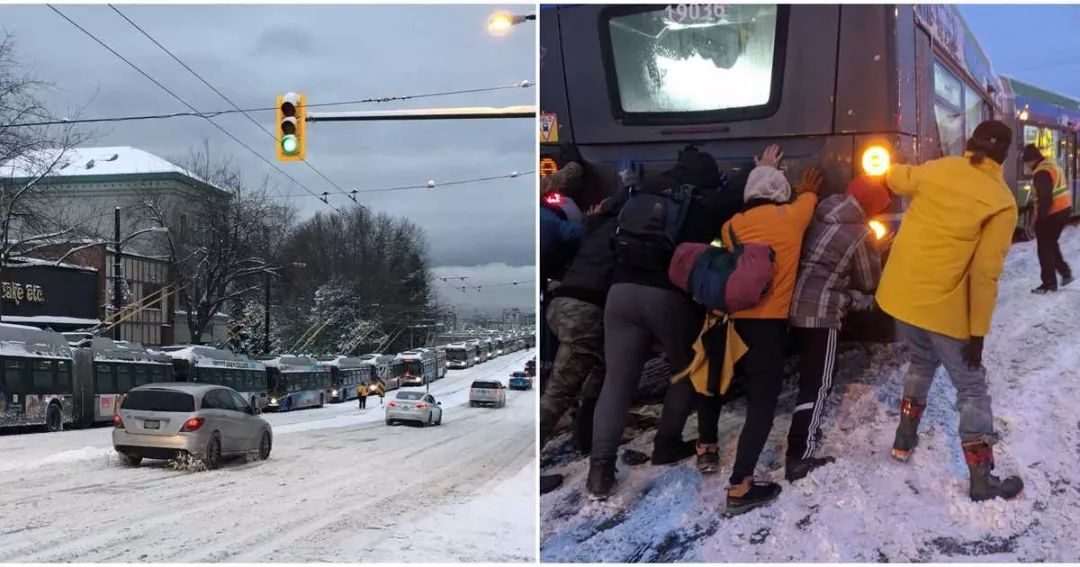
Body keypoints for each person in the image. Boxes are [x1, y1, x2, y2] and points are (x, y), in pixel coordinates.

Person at [878, 120, 1022, 502]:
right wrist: (977, 333)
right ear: (1004, 155)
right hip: (942, 306)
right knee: (972, 386)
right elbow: (985, 274)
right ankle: (981, 479)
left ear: (971, 143)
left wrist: (889, 165)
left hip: (901, 297)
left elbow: (897, 178)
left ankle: (903, 442)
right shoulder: (1001, 201)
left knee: (922, 363)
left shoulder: (938, 169)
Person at [587, 146, 743, 497]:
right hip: (666, 297)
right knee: (686, 369)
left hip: (621, 292)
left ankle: (599, 471)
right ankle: (666, 444)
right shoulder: (701, 205)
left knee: (617, 382)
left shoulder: (645, 193)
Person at [705, 145, 820, 515]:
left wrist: (762, 171)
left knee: (718, 388)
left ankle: (706, 448)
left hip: (732, 323)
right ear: (781, 191)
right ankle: (740, 486)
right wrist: (799, 184)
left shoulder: (730, 226)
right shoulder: (792, 217)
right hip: (768, 330)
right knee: (761, 406)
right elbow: (810, 194)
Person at [783, 176, 892, 481]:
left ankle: (798, 446)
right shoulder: (860, 233)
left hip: (790, 303)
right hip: (820, 313)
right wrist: (877, 248)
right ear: (870, 206)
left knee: (807, 376)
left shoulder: (819, 210)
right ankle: (800, 456)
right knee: (818, 382)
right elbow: (870, 281)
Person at [540, 191, 627, 496]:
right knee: (561, 391)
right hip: (585, 311)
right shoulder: (627, 232)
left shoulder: (592, 229)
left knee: (602, 368)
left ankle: (585, 436)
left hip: (562, 302)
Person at [1020, 144, 1073, 293]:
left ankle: (1049, 284)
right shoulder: (1050, 165)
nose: (1027, 166)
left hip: (1053, 213)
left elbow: (1045, 198)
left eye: (1026, 163)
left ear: (1031, 160)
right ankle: (1065, 272)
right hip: (1063, 208)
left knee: (1044, 248)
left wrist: (1039, 220)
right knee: (1050, 244)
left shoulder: (1041, 172)